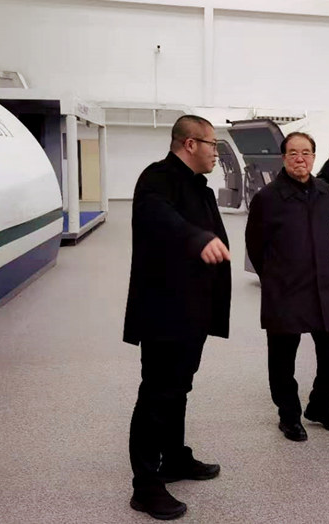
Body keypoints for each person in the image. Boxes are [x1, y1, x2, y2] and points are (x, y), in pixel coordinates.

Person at [123, 115, 231, 520]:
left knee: (178, 387)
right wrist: (196, 237)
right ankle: (145, 487)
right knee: (157, 393)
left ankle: (174, 458)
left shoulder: (197, 186)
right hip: (164, 310)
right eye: (213, 145)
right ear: (190, 144)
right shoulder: (158, 178)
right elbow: (159, 216)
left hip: (191, 309)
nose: (216, 153)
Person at [245, 132, 329, 442]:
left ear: (314, 157)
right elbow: (255, 245)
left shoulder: (324, 193)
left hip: (322, 285)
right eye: (293, 153)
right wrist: (274, 278)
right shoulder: (267, 198)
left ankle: (321, 407)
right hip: (285, 288)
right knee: (282, 357)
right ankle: (288, 415)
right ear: (284, 158)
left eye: (306, 152)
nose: (300, 158)